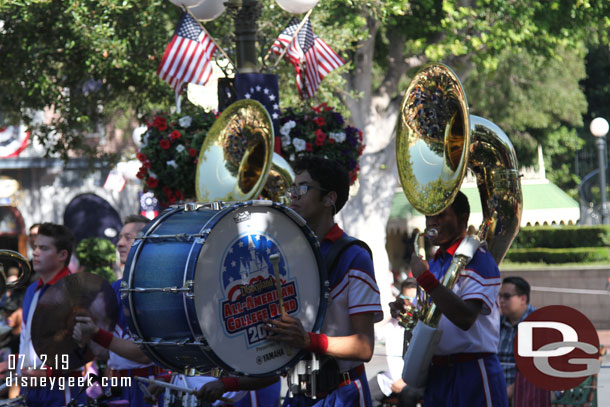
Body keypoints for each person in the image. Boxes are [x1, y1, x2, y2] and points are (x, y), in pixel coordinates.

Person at [198, 156, 383, 406]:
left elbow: (364, 347)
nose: (294, 195)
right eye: (293, 188)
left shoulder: (354, 257)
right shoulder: (289, 256)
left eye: (303, 188)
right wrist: (226, 384)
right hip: (298, 395)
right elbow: (283, 358)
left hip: (343, 394)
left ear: (330, 198)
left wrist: (308, 340)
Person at [398, 191, 508, 406]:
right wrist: (407, 313)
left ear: (463, 217)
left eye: (441, 216)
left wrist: (425, 279)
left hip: (473, 371)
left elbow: (465, 318)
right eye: (430, 217)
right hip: (437, 373)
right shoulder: (437, 261)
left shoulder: (478, 259)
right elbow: (434, 316)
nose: (433, 223)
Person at [73, 214, 163, 407]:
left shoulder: (158, 288)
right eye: (120, 237)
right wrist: (84, 338)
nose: (120, 243)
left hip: (148, 388)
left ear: (149, 242)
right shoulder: (113, 288)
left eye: (128, 238)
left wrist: (96, 333)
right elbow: (106, 354)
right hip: (116, 386)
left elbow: (143, 354)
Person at [18, 222, 88, 406]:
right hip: (31, 388)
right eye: (35, 247)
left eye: (44, 248)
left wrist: (47, 373)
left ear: (62, 255)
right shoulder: (32, 290)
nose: (35, 252)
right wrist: (17, 370)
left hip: (62, 389)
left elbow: (85, 348)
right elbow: (26, 340)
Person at [498, 276, 550, 406]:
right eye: (500, 296)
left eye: (506, 296)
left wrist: (511, 390)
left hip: (526, 390)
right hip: (497, 386)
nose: (501, 301)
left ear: (523, 299)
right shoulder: (496, 324)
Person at [369, 278, 422, 407]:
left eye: (414, 299)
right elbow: (372, 334)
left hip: (414, 383)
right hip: (390, 380)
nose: (410, 304)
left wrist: (405, 382)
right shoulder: (394, 323)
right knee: (365, 393)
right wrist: (389, 313)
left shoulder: (423, 324)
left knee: (407, 396)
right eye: (406, 299)